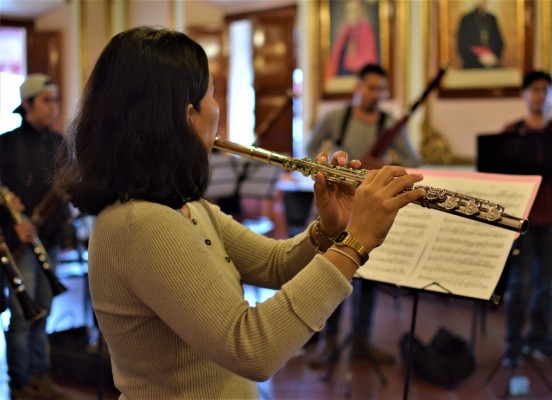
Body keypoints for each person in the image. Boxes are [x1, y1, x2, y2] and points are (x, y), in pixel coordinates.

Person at [54, 27, 426, 399]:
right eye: (213, 93)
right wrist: (354, 243)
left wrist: (330, 229)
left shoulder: (186, 207)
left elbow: (275, 264)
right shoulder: (141, 224)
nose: (217, 109)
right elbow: (250, 348)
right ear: (189, 116)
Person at [306, 63, 420, 368]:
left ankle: (362, 341)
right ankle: (328, 340)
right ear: (357, 87)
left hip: (371, 210)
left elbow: (411, 161)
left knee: (369, 276)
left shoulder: (389, 124)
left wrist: (380, 166)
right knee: (331, 272)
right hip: (337, 206)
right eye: (370, 88)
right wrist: (332, 166)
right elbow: (310, 149)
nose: (376, 94)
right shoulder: (336, 117)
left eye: (381, 89)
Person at [501, 70, 552, 367]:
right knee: (520, 285)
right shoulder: (511, 131)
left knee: (547, 285)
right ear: (524, 94)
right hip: (521, 220)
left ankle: (539, 341)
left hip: (551, 220)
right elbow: (498, 172)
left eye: (546, 90)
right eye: (534, 89)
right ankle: (513, 345)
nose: (540, 95)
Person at [0, 74, 72, 400]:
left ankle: (41, 376)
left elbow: (66, 188)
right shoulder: (6, 143)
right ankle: (20, 383)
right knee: (22, 315)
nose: (53, 107)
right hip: (20, 242)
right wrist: (12, 225)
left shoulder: (58, 142)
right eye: (46, 100)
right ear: (27, 104)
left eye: (55, 100)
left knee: (43, 310)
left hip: (49, 240)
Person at [327, 0, 378, 78]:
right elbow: (336, 56)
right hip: (343, 74)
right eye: (349, 11)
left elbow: (369, 56)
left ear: (359, 11)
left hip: (359, 72)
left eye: (354, 11)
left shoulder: (366, 29)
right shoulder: (344, 29)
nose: (351, 14)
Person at [457, 0, 504, 69]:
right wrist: (479, 58)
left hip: (491, 64)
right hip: (471, 66)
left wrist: (492, 56)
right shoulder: (466, 19)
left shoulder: (492, 19)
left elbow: (499, 43)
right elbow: (462, 45)